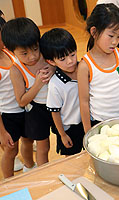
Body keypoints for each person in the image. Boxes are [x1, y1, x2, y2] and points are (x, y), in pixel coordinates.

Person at [2, 17, 55, 168]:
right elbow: (21, 101)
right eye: (24, 53)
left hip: (56, 105)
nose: (32, 56)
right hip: (36, 110)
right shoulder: (16, 70)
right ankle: (40, 172)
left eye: (35, 49)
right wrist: (37, 84)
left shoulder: (46, 55)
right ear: (11, 51)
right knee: (42, 146)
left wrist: (53, 67)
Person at [78, 4, 119, 133]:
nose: (115, 42)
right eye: (111, 36)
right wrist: (88, 132)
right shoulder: (85, 66)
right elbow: (84, 102)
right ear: (94, 32)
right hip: (102, 124)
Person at [40, 28, 85, 156]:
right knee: (70, 159)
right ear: (51, 61)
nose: (70, 61)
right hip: (68, 128)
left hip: (86, 122)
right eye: (62, 59)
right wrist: (63, 135)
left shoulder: (84, 68)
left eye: (72, 54)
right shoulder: (55, 84)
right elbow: (55, 112)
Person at [0, 17, 30, 178]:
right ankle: (8, 182)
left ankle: (28, 167)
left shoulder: (8, 52)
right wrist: (2, 132)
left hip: (23, 108)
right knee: (11, 150)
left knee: (27, 140)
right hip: (7, 115)